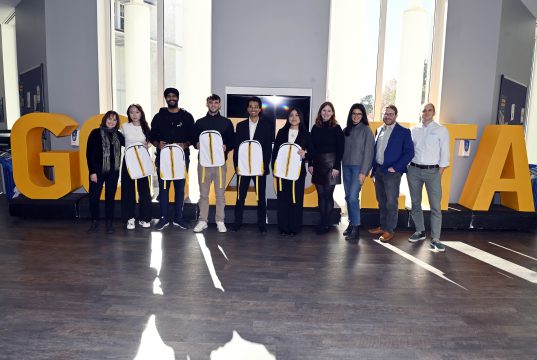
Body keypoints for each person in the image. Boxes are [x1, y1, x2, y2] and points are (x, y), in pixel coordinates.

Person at [150, 87, 195, 231]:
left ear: (178, 98)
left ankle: (178, 218)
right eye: (168, 96)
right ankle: (163, 218)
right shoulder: (158, 117)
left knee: (179, 188)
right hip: (163, 158)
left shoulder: (187, 117)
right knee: (164, 189)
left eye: (174, 96)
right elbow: (152, 136)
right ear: (165, 98)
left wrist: (185, 144)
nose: (171, 98)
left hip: (181, 159)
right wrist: (158, 144)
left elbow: (193, 138)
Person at [407, 103, 450, 252]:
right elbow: (408, 150)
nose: (426, 113)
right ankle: (420, 231)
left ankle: (436, 239)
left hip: (433, 172)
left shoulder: (441, 130)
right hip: (413, 170)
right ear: (420, 113)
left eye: (429, 110)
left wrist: (438, 174)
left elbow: (445, 154)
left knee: (435, 207)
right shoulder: (413, 130)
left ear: (434, 112)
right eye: (423, 110)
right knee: (415, 202)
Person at [368, 105, 414, 242]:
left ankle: (389, 230)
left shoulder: (404, 132)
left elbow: (409, 152)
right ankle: (383, 226)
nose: (387, 116)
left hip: (392, 173)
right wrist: (373, 168)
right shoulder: (379, 130)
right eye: (386, 114)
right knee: (381, 201)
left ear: (396, 116)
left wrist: (397, 167)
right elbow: (376, 151)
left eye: (390, 114)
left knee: (391, 203)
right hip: (378, 171)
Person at [193, 94, 235, 233]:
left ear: (220, 105)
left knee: (220, 195)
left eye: (216, 103)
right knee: (203, 194)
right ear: (207, 104)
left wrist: (226, 146)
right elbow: (193, 139)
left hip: (219, 164)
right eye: (211, 102)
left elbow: (232, 141)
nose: (213, 105)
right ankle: (203, 221)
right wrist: (196, 143)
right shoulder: (199, 122)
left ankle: (220, 220)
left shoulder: (226, 122)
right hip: (203, 164)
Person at [232, 96, 274, 233]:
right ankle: (237, 222)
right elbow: (237, 147)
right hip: (243, 167)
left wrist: (264, 166)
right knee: (240, 196)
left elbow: (268, 148)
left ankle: (262, 224)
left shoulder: (267, 126)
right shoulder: (240, 125)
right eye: (251, 106)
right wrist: (236, 165)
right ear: (247, 109)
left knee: (261, 196)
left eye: (256, 106)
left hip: (258, 168)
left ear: (260, 109)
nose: (253, 109)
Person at [271, 107, 311, 236]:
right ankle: (283, 228)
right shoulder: (282, 132)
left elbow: (312, 152)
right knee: (283, 200)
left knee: (296, 200)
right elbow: (275, 152)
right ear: (288, 118)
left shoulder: (306, 134)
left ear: (300, 118)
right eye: (291, 115)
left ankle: (294, 228)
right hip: (282, 173)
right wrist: (274, 169)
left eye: (296, 115)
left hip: (297, 173)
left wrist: (306, 154)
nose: (294, 118)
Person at [86, 110, 125, 234]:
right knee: (93, 198)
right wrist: (92, 172)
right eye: (110, 119)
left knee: (110, 198)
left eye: (114, 120)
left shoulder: (118, 135)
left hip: (113, 171)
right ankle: (94, 222)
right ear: (104, 120)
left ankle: (109, 223)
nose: (112, 122)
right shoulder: (95, 133)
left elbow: (130, 144)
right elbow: (89, 154)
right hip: (97, 171)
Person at [309, 101, 344, 234]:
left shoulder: (337, 128)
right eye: (324, 110)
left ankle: (326, 223)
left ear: (332, 113)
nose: (326, 113)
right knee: (320, 195)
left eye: (329, 110)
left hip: (331, 165)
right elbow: (311, 148)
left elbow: (341, 149)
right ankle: (322, 221)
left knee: (328, 196)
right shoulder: (315, 127)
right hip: (318, 164)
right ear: (320, 112)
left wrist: (336, 167)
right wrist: (310, 163)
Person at [341, 103, 375, 243]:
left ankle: (356, 227)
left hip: (358, 169)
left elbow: (369, 153)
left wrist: (363, 172)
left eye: (359, 114)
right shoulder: (345, 130)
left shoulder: (366, 130)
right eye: (353, 114)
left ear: (363, 116)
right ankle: (351, 222)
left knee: (354, 197)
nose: (356, 116)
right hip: (346, 167)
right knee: (348, 197)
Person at [120, 104, 153, 230]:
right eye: (131, 112)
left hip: (142, 160)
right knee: (128, 190)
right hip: (129, 160)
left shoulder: (145, 127)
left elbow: (151, 141)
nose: (134, 115)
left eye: (137, 112)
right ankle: (130, 218)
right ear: (128, 114)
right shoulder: (124, 127)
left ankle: (145, 218)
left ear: (141, 113)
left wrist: (148, 145)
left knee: (144, 190)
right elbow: (121, 142)